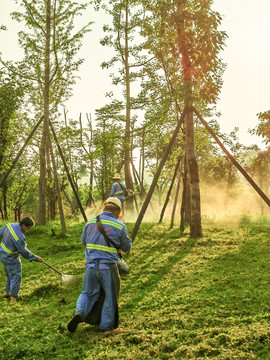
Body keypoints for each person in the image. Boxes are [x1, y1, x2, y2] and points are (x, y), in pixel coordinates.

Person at [67, 197, 132, 333]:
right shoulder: (119, 226)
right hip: (108, 267)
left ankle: (79, 313)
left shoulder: (90, 222)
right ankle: (105, 326)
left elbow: (84, 242)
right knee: (110, 296)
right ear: (118, 212)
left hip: (90, 266)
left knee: (87, 293)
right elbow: (126, 246)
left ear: (104, 208)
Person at [0, 217, 43, 304]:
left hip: (2, 255)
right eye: (28, 228)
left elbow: (0, 232)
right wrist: (35, 258)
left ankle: (6, 292)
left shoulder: (9, 225)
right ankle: (13, 299)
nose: (29, 230)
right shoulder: (19, 237)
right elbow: (24, 252)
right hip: (11, 259)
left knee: (9, 274)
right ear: (24, 225)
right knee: (16, 277)